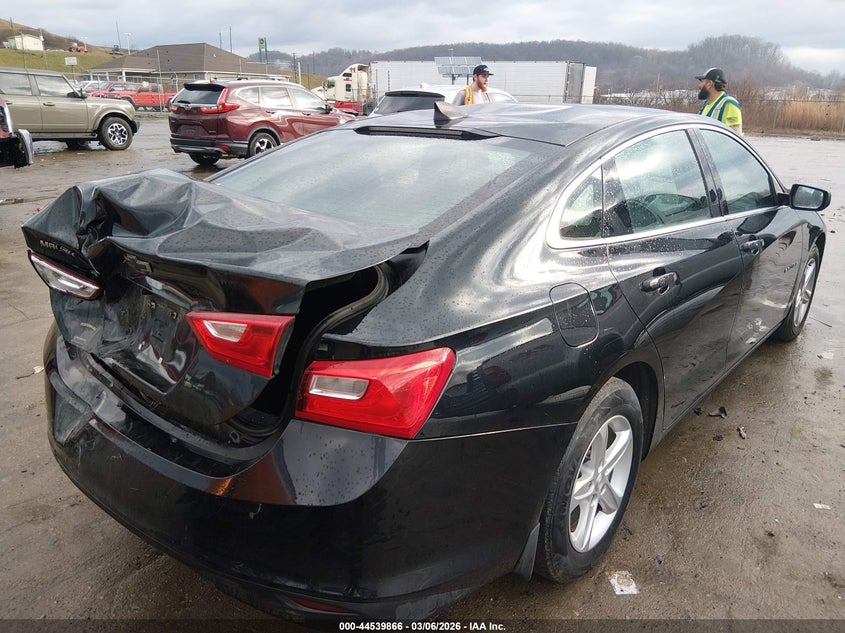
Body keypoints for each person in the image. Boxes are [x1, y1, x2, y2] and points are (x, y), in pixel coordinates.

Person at [696, 68, 742, 134]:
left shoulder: (729, 104)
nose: (699, 85)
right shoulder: (706, 104)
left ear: (709, 84)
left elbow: (735, 138)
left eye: (701, 81)